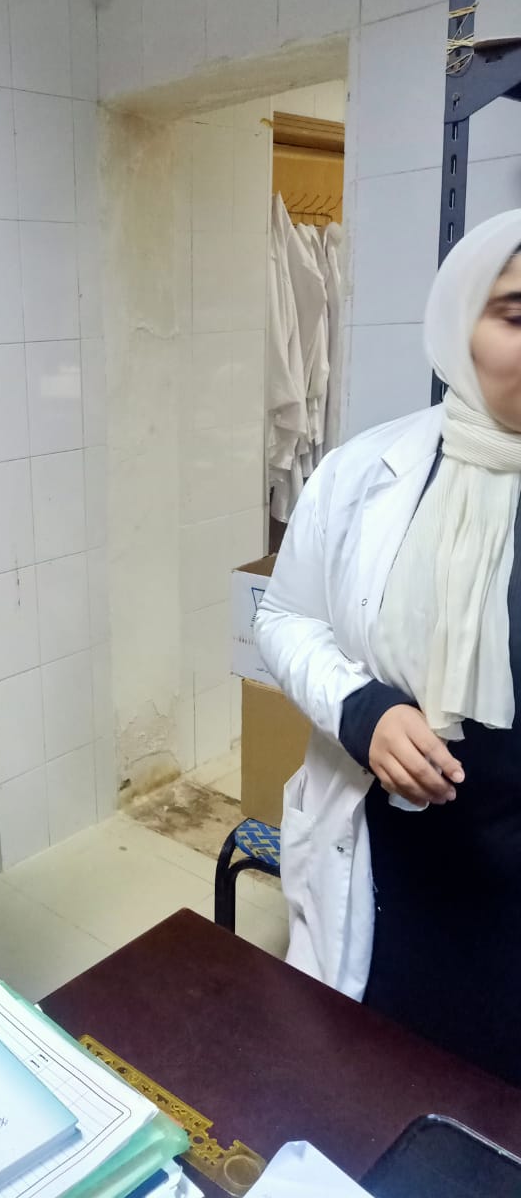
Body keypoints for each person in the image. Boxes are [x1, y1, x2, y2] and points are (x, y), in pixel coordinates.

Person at [256, 210, 521, 1085]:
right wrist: (361, 711)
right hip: (391, 877)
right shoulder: (365, 474)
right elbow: (284, 619)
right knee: (370, 1091)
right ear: (460, 322)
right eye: (517, 315)